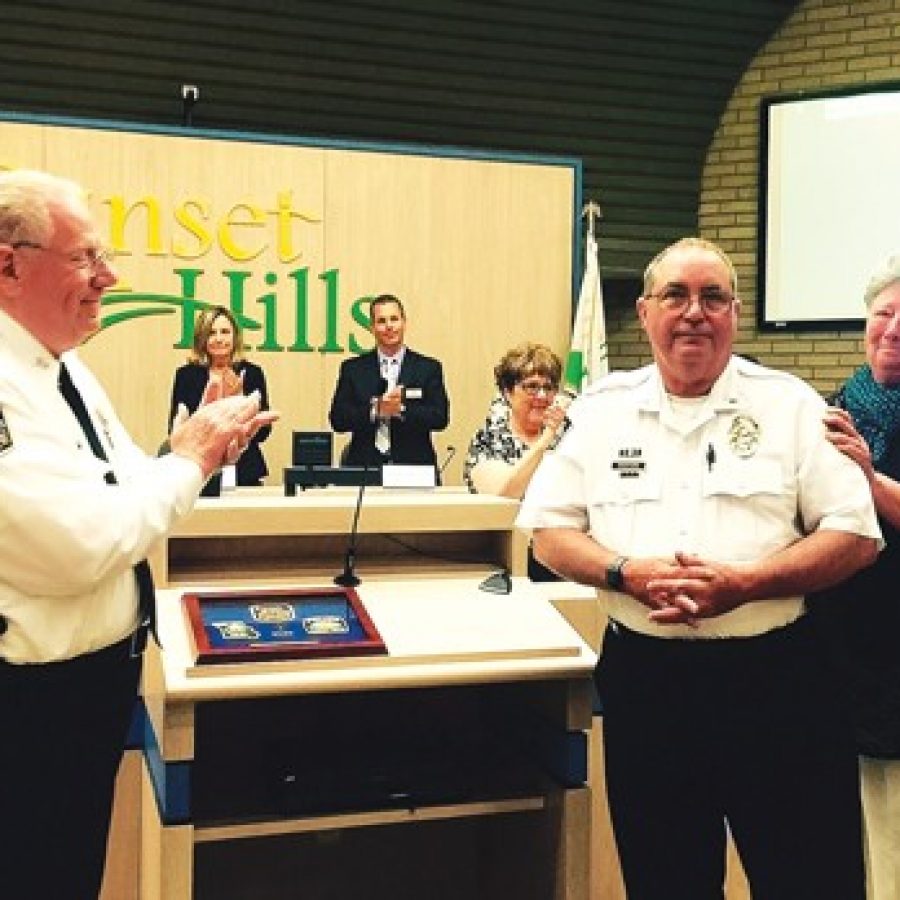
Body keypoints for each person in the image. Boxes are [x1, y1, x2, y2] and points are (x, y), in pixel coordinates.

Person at [517, 236, 882, 899]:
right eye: (676, 295)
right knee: (667, 882)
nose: (694, 312)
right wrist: (626, 573)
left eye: (713, 296)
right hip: (648, 689)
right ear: (646, 310)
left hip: (779, 686)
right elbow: (549, 532)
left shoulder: (790, 405)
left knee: (811, 880)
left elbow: (856, 535)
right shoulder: (602, 410)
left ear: (735, 314)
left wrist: (744, 585)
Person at [0, 169, 276, 900]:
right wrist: (191, 459)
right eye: (86, 258)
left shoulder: (64, 371)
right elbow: (79, 544)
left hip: (84, 693)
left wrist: (194, 449)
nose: (109, 277)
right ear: (8, 264)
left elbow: (131, 486)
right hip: (26, 710)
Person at [809, 254, 900, 900]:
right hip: (841, 642)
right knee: (846, 810)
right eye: (883, 314)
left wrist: (869, 479)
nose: (892, 330)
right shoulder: (838, 404)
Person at [329, 293, 449, 471]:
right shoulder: (353, 369)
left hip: (414, 467)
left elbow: (440, 417)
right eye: (382, 321)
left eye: (394, 319)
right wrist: (375, 410)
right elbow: (338, 419)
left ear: (404, 323)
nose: (389, 326)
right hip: (364, 467)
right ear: (372, 327)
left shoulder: (427, 368)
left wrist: (400, 410)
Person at [169, 304, 272, 493]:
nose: (218, 339)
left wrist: (241, 399)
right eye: (211, 333)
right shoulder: (186, 375)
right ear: (202, 338)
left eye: (225, 332)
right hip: (199, 471)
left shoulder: (252, 373)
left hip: (245, 470)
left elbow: (264, 432)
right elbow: (176, 430)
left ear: (235, 337)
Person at [463, 342, 569, 499]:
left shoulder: (569, 435)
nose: (542, 396)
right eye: (532, 387)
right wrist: (547, 438)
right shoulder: (489, 439)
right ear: (507, 392)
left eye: (548, 387)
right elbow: (504, 493)